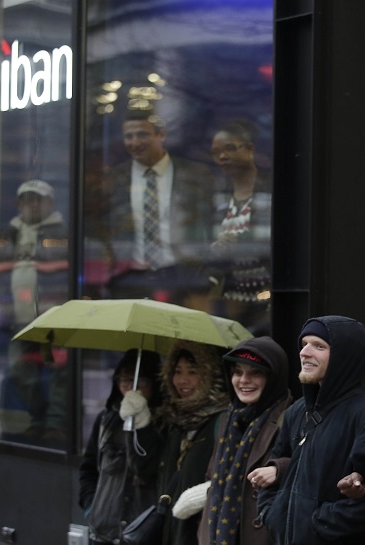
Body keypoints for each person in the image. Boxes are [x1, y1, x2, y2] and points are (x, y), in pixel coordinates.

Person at [257, 315, 365, 544]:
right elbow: (278, 461)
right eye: (304, 345)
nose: (304, 353)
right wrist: (270, 514)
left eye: (319, 346)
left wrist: (317, 526)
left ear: (345, 357)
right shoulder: (297, 411)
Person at [171, 336, 291, 545]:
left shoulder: (291, 417)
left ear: (273, 377)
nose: (244, 380)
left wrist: (279, 469)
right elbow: (213, 474)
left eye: (256, 372)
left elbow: (312, 471)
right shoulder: (229, 419)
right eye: (238, 372)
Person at [0, 179, 69, 444]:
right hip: (16, 319)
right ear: (18, 203)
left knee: (57, 375)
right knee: (21, 374)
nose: (32, 204)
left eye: (37, 199)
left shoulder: (63, 231)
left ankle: (55, 424)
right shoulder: (9, 232)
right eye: (26, 199)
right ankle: (38, 419)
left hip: (53, 318)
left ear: (49, 203)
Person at [99, 109, 215, 305]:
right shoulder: (115, 179)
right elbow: (106, 227)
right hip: (130, 278)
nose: (135, 142)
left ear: (161, 135)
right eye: (129, 136)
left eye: (142, 134)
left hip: (182, 277)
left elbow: (207, 224)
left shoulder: (194, 174)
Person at [121, 341, 230, 545]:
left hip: (201, 533)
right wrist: (139, 423)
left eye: (192, 372)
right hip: (169, 531)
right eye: (177, 371)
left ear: (209, 375)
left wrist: (207, 492)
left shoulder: (223, 420)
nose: (183, 380)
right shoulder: (174, 420)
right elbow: (143, 469)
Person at [78, 349, 164, 545]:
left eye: (140, 381)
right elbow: (89, 469)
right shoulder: (105, 420)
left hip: (143, 534)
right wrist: (92, 508)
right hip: (103, 532)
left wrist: (142, 426)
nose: (129, 387)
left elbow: (147, 468)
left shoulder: (165, 424)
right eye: (123, 380)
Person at [207, 120, 272, 327]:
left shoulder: (269, 187)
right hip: (226, 292)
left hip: (266, 292)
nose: (223, 156)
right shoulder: (214, 190)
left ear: (250, 149)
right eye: (216, 152)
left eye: (230, 148)